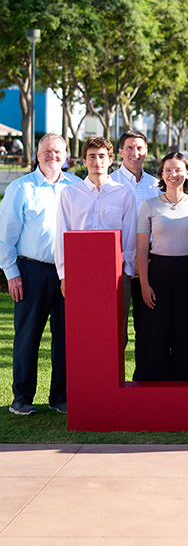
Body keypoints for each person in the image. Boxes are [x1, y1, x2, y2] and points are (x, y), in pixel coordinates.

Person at [0, 134, 80, 415]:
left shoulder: (77, 186)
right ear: (37, 154)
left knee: (66, 337)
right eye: (47, 151)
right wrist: (12, 273)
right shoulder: (21, 188)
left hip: (69, 273)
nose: (52, 156)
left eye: (58, 151)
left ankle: (60, 396)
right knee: (27, 336)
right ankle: (21, 398)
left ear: (66, 155)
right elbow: (4, 236)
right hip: (32, 270)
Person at [135, 152, 188, 382]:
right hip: (157, 274)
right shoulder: (149, 205)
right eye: (168, 170)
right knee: (155, 334)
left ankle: (187, 391)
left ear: (187, 173)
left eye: (178, 170)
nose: (173, 174)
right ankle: (154, 390)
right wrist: (145, 285)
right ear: (162, 174)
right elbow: (142, 249)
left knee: (187, 334)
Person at [55, 137, 137, 299]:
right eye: (92, 156)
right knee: (83, 321)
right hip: (78, 270)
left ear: (110, 160)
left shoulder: (124, 194)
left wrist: (127, 272)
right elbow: (62, 234)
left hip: (115, 271)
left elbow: (130, 235)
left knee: (115, 323)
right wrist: (64, 274)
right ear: (84, 161)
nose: (97, 161)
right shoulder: (70, 194)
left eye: (102, 156)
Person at [110, 130, 159, 344]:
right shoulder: (109, 184)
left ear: (146, 151)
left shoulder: (157, 186)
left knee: (148, 328)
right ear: (120, 151)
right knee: (117, 329)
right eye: (129, 147)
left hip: (150, 264)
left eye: (140, 148)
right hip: (117, 265)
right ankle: (113, 377)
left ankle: (144, 376)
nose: (135, 152)